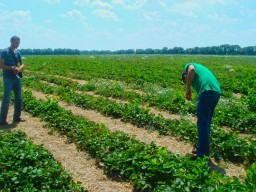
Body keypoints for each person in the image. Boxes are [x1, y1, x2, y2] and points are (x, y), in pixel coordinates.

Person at [182, 62, 221, 160]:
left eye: (185, 80)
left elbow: (191, 70)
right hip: (215, 92)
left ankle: (202, 154)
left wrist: (187, 89)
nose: (187, 82)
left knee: (203, 123)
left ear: (185, 75)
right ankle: (202, 148)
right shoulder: (200, 71)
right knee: (206, 123)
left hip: (207, 91)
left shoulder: (188, 66)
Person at [0, 36, 25, 125]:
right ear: (12, 42)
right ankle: (2, 120)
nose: (18, 44)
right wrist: (11, 68)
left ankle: (17, 117)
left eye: (19, 42)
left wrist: (18, 69)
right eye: (16, 42)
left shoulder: (18, 52)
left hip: (16, 77)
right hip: (8, 78)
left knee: (19, 98)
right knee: (6, 99)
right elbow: (1, 65)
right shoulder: (5, 52)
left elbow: (22, 64)